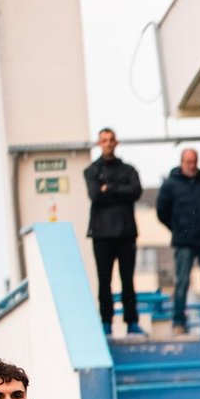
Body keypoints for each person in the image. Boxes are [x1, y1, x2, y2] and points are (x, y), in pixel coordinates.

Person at [156, 149, 200, 337]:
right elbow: (161, 212)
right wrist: (178, 228)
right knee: (182, 282)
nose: (191, 165)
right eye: (188, 162)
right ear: (181, 162)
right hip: (183, 241)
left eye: (194, 161)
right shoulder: (170, 186)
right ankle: (178, 322)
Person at [83, 128, 143, 335]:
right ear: (99, 144)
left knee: (128, 280)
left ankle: (132, 322)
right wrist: (119, 190)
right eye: (104, 140)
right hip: (101, 235)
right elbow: (95, 195)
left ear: (116, 143)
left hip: (126, 233)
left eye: (111, 140)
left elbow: (135, 192)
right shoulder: (91, 171)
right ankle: (106, 322)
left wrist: (109, 188)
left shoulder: (129, 170)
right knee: (104, 281)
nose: (108, 144)